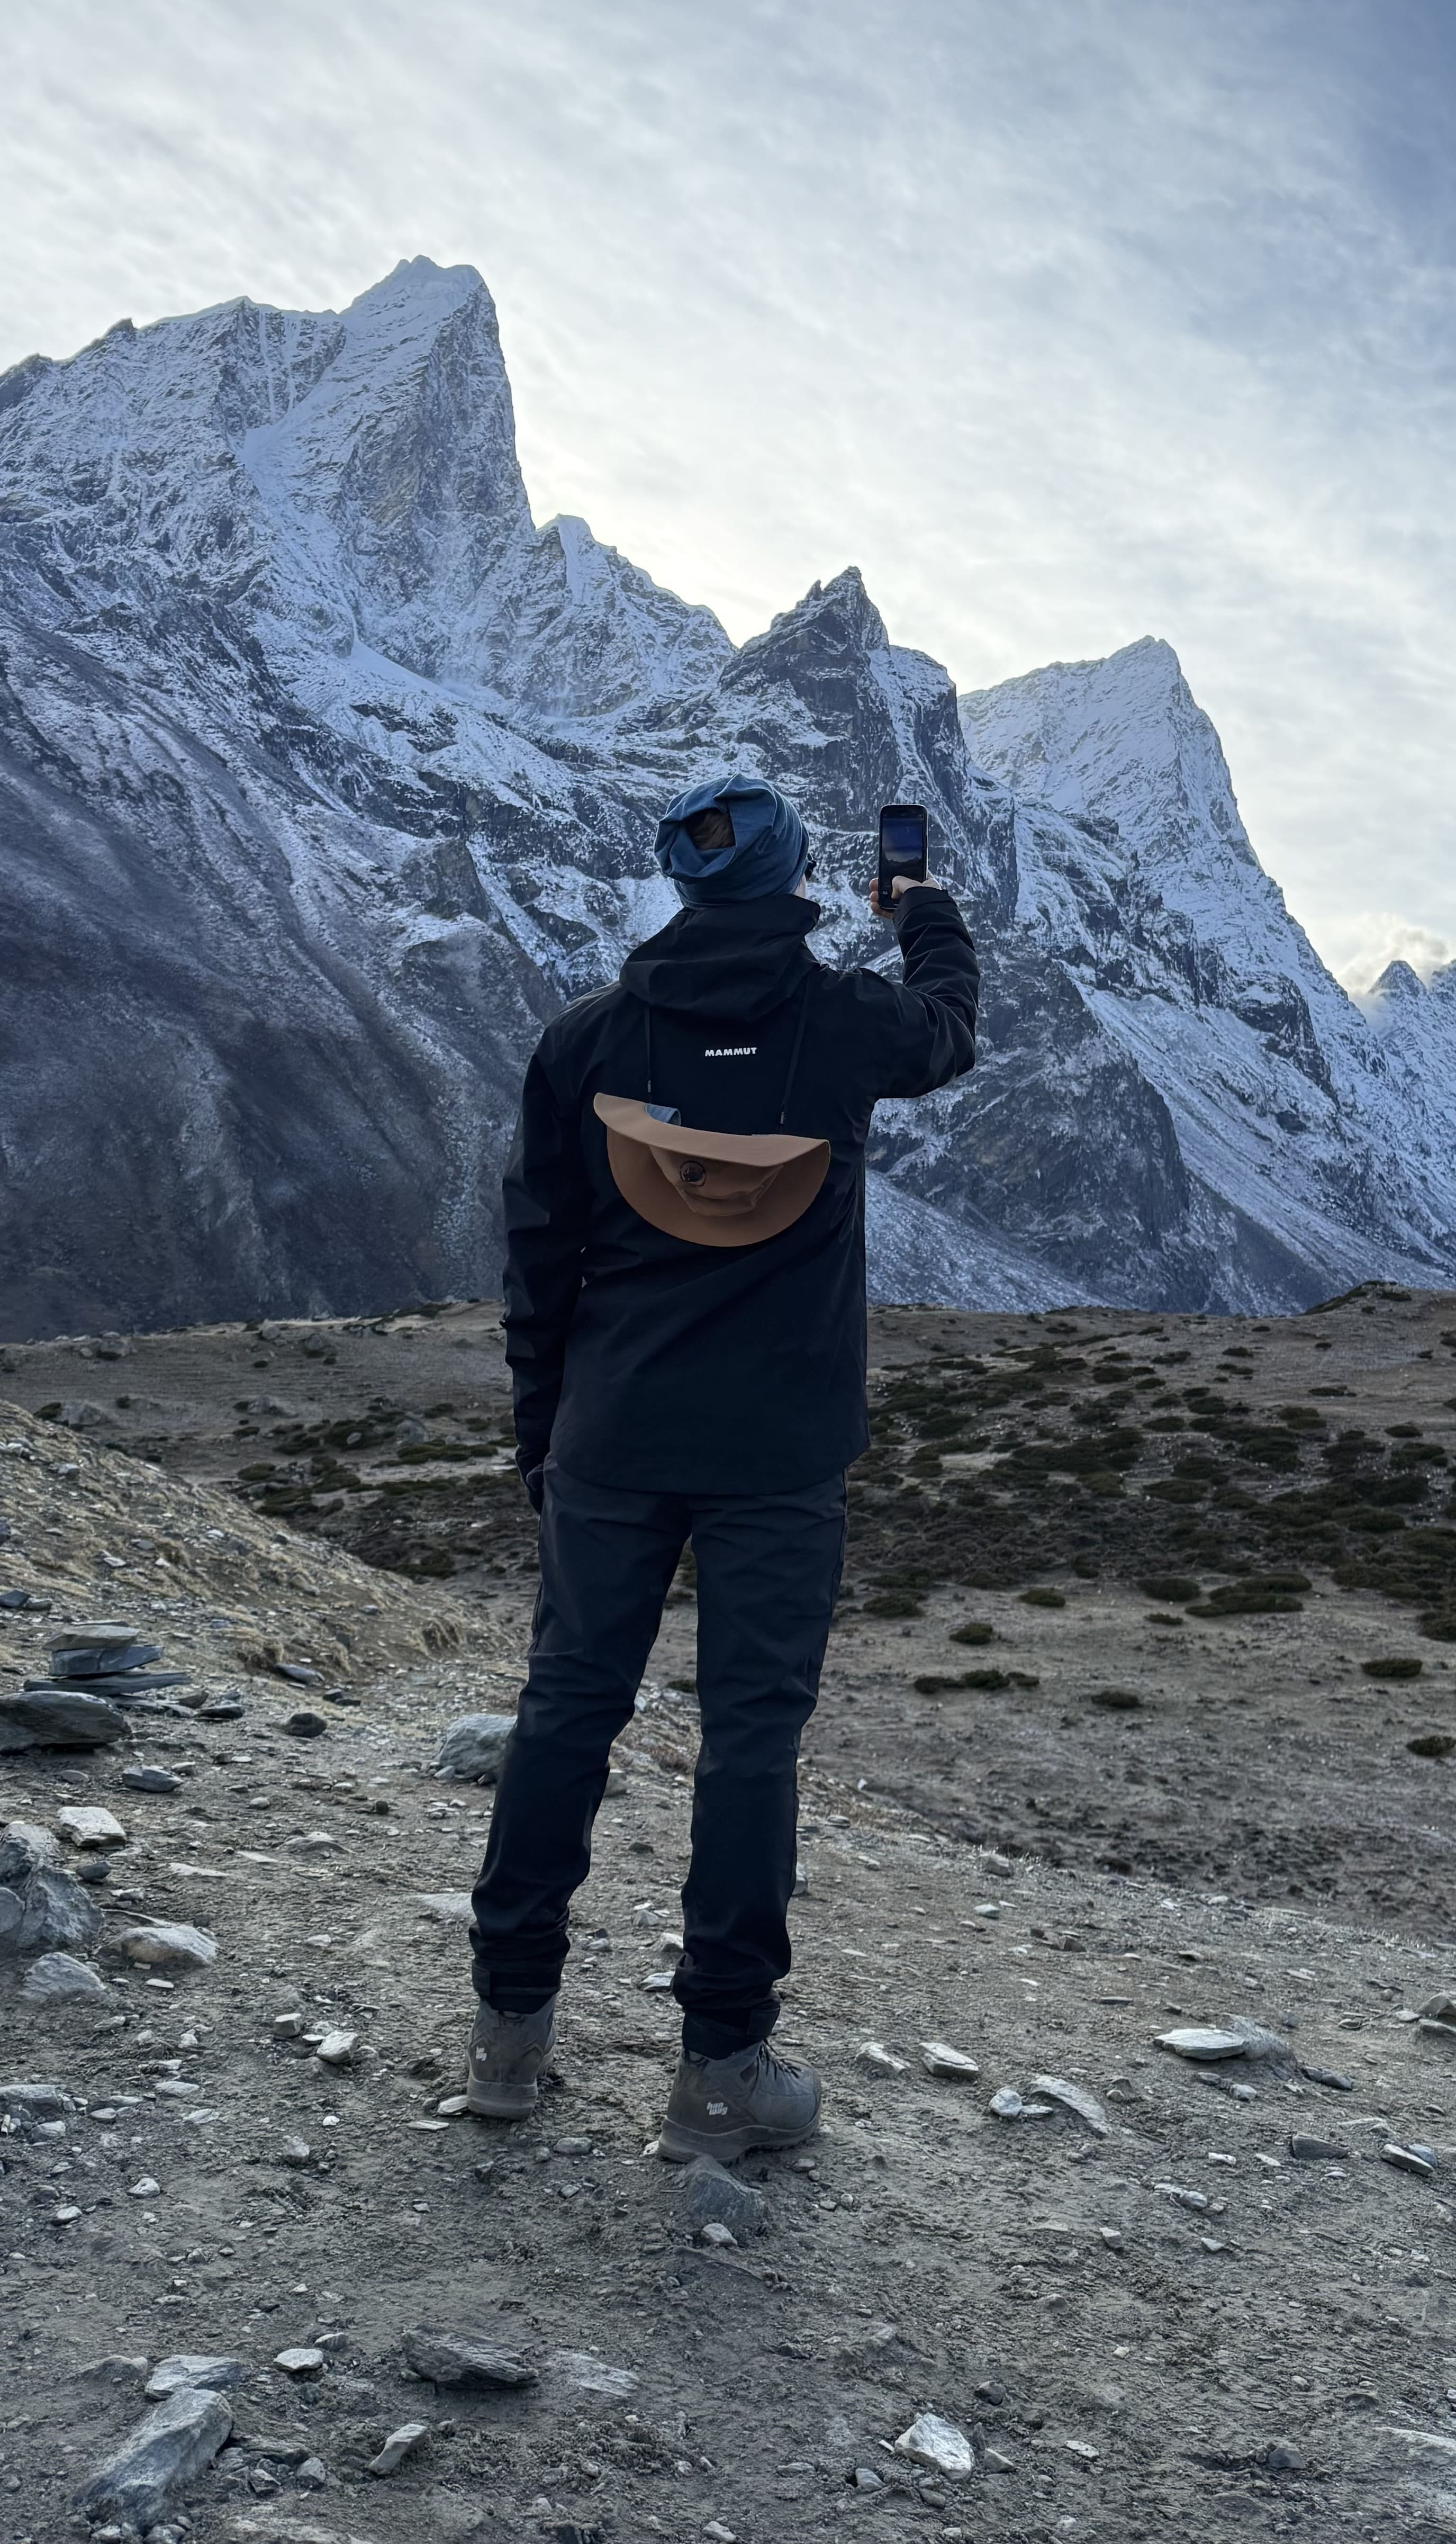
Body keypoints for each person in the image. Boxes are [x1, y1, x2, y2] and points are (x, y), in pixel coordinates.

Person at [465, 771, 979, 2158]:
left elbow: (539, 1261)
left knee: (567, 1713)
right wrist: (922, 908)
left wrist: (542, 1436)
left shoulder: (582, 1047)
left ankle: (508, 2036)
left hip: (614, 1441)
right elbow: (949, 1029)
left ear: (681, 886)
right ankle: (720, 2070)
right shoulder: (845, 1027)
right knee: (750, 1742)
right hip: (782, 1455)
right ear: (796, 883)